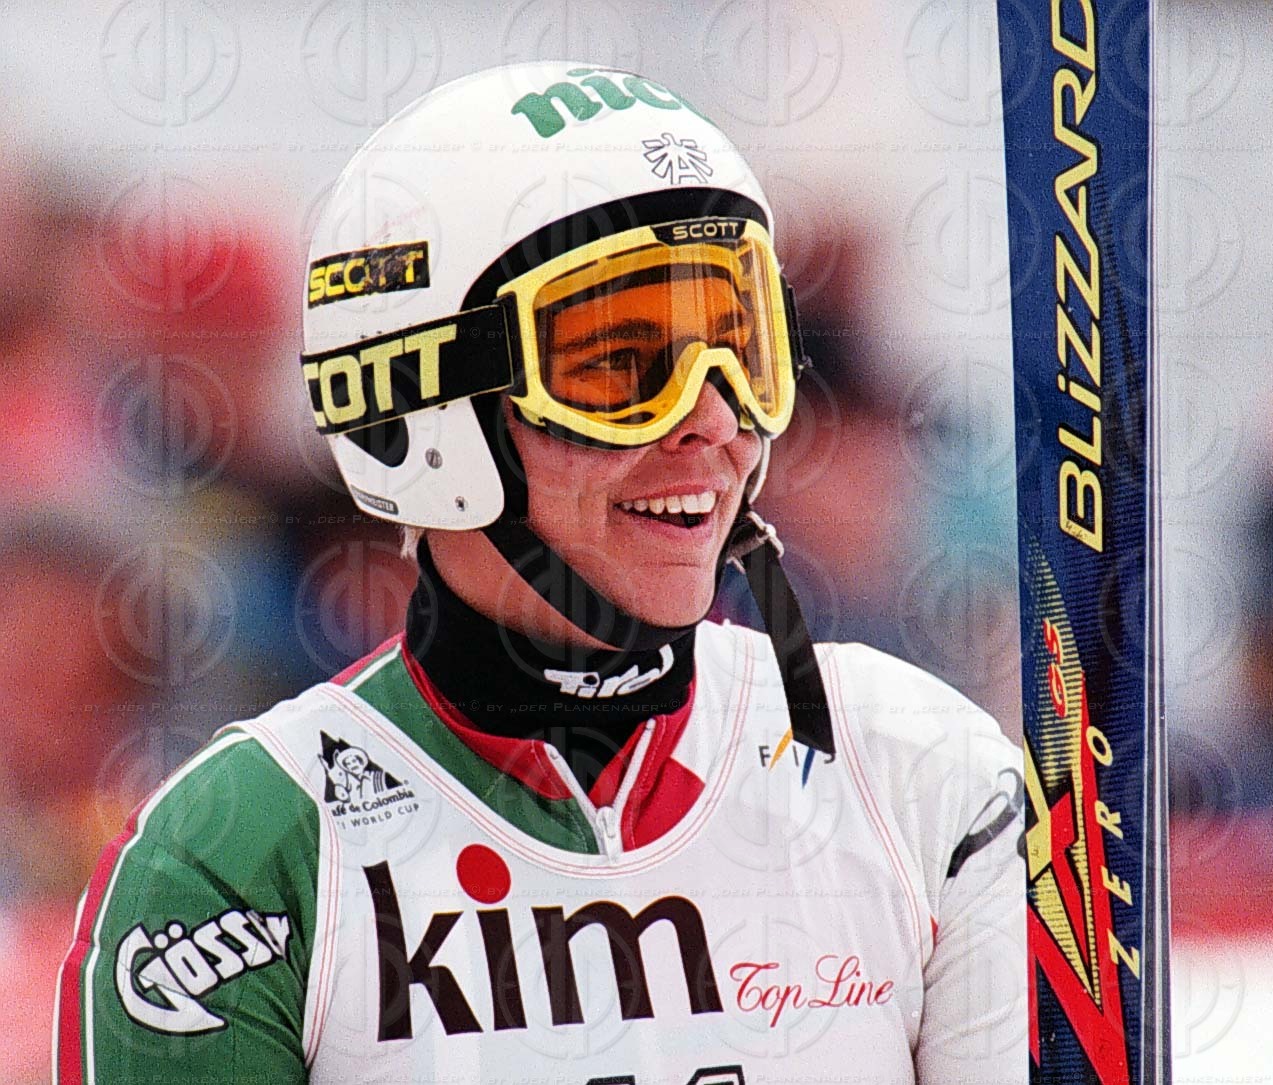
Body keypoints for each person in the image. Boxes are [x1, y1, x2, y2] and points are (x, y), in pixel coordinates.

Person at [56, 62, 1024, 1084]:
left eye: (737, 345)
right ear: (418, 404)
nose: (710, 418)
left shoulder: (925, 773)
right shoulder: (237, 860)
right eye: (617, 365)